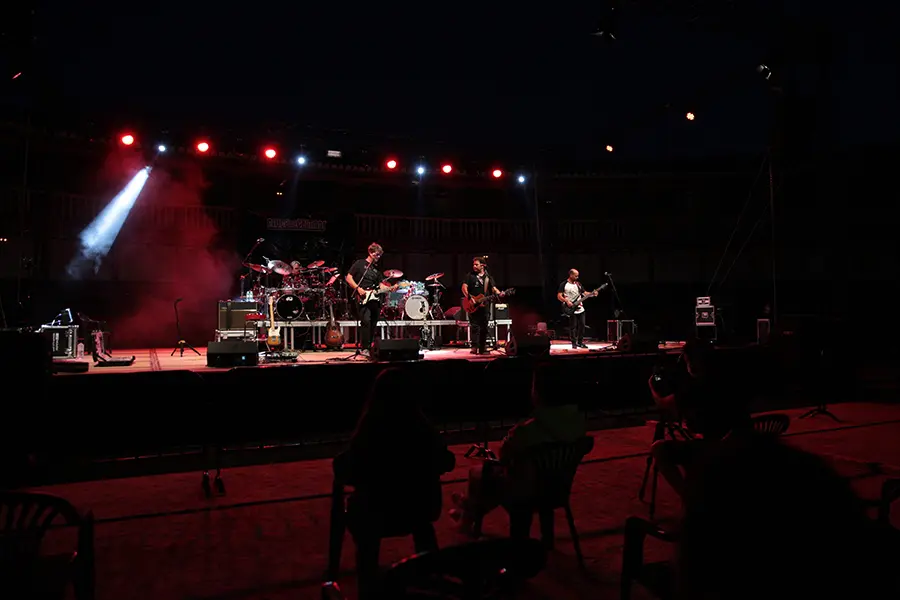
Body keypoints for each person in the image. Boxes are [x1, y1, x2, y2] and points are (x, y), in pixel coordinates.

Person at [333, 368, 456, 598]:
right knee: (422, 526)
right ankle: (430, 576)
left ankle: (367, 584)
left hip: (375, 511)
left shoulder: (369, 432)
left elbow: (348, 472)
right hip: (420, 508)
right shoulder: (424, 431)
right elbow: (447, 461)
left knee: (366, 526)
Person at [451, 365, 587, 532]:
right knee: (492, 477)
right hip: (557, 488)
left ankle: (467, 511)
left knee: (481, 474)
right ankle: (467, 509)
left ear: (537, 393)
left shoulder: (526, 431)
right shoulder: (578, 423)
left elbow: (504, 456)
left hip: (526, 491)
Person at [647, 339, 750, 498]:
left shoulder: (696, 387)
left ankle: (689, 498)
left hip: (715, 448)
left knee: (659, 449)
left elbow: (664, 404)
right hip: (740, 446)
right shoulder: (733, 380)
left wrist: (652, 387)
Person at [345, 243, 389, 356]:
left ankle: (369, 346)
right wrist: (358, 288)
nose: (378, 257)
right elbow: (348, 277)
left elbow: (380, 285)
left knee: (373, 322)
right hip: (363, 297)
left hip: (374, 298)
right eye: (377, 255)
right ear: (370, 252)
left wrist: (390, 288)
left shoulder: (376, 270)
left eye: (380, 255)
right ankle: (364, 347)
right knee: (366, 321)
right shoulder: (360, 264)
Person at [461, 256, 502, 355]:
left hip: (484, 305)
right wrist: (470, 298)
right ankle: (474, 347)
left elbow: (493, 288)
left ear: (483, 265)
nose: (474, 266)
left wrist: (500, 293)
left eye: (476, 264)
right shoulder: (469, 276)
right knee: (474, 326)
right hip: (472, 304)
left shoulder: (488, 277)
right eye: (473, 264)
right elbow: (464, 287)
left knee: (484, 327)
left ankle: (482, 348)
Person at [557, 268, 588, 349]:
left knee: (582, 325)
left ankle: (580, 342)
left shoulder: (578, 284)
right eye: (576, 276)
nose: (577, 277)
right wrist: (566, 301)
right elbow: (559, 296)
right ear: (571, 275)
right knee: (573, 327)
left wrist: (592, 293)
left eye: (578, 276)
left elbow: (585, 293)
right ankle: (574, 343)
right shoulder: (564, 284)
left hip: (581, 308)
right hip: (571, 308)